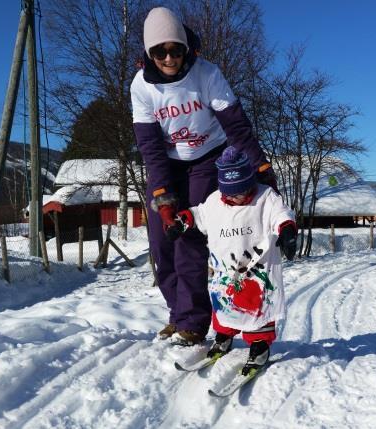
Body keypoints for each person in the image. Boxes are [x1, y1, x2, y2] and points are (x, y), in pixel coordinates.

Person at [131, 7, 278, 346]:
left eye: (175, 49)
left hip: (206, 158)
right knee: (161, 239)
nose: (169, 57)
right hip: (166, 162)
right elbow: (150, 146)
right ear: (149, 54)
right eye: (160, 51)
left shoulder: (207, 74)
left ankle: (193, 324)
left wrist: (261, 167)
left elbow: (237, 128)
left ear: (185, 47)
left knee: (189, 236)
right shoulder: (141, 87)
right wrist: (163, 195)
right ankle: (177, 313)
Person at [169, 146, 297, 374]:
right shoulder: (214, 200)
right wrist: (182, 220)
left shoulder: (265, 196)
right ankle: (224, 337)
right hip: (226, 269)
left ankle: (259, 345)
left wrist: (287, 229)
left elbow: (281, 213)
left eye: (240, 191)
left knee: (256, 307)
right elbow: (200, 214)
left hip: (256, 268)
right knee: (225, 305)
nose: (234, 197)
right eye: (229, 193)